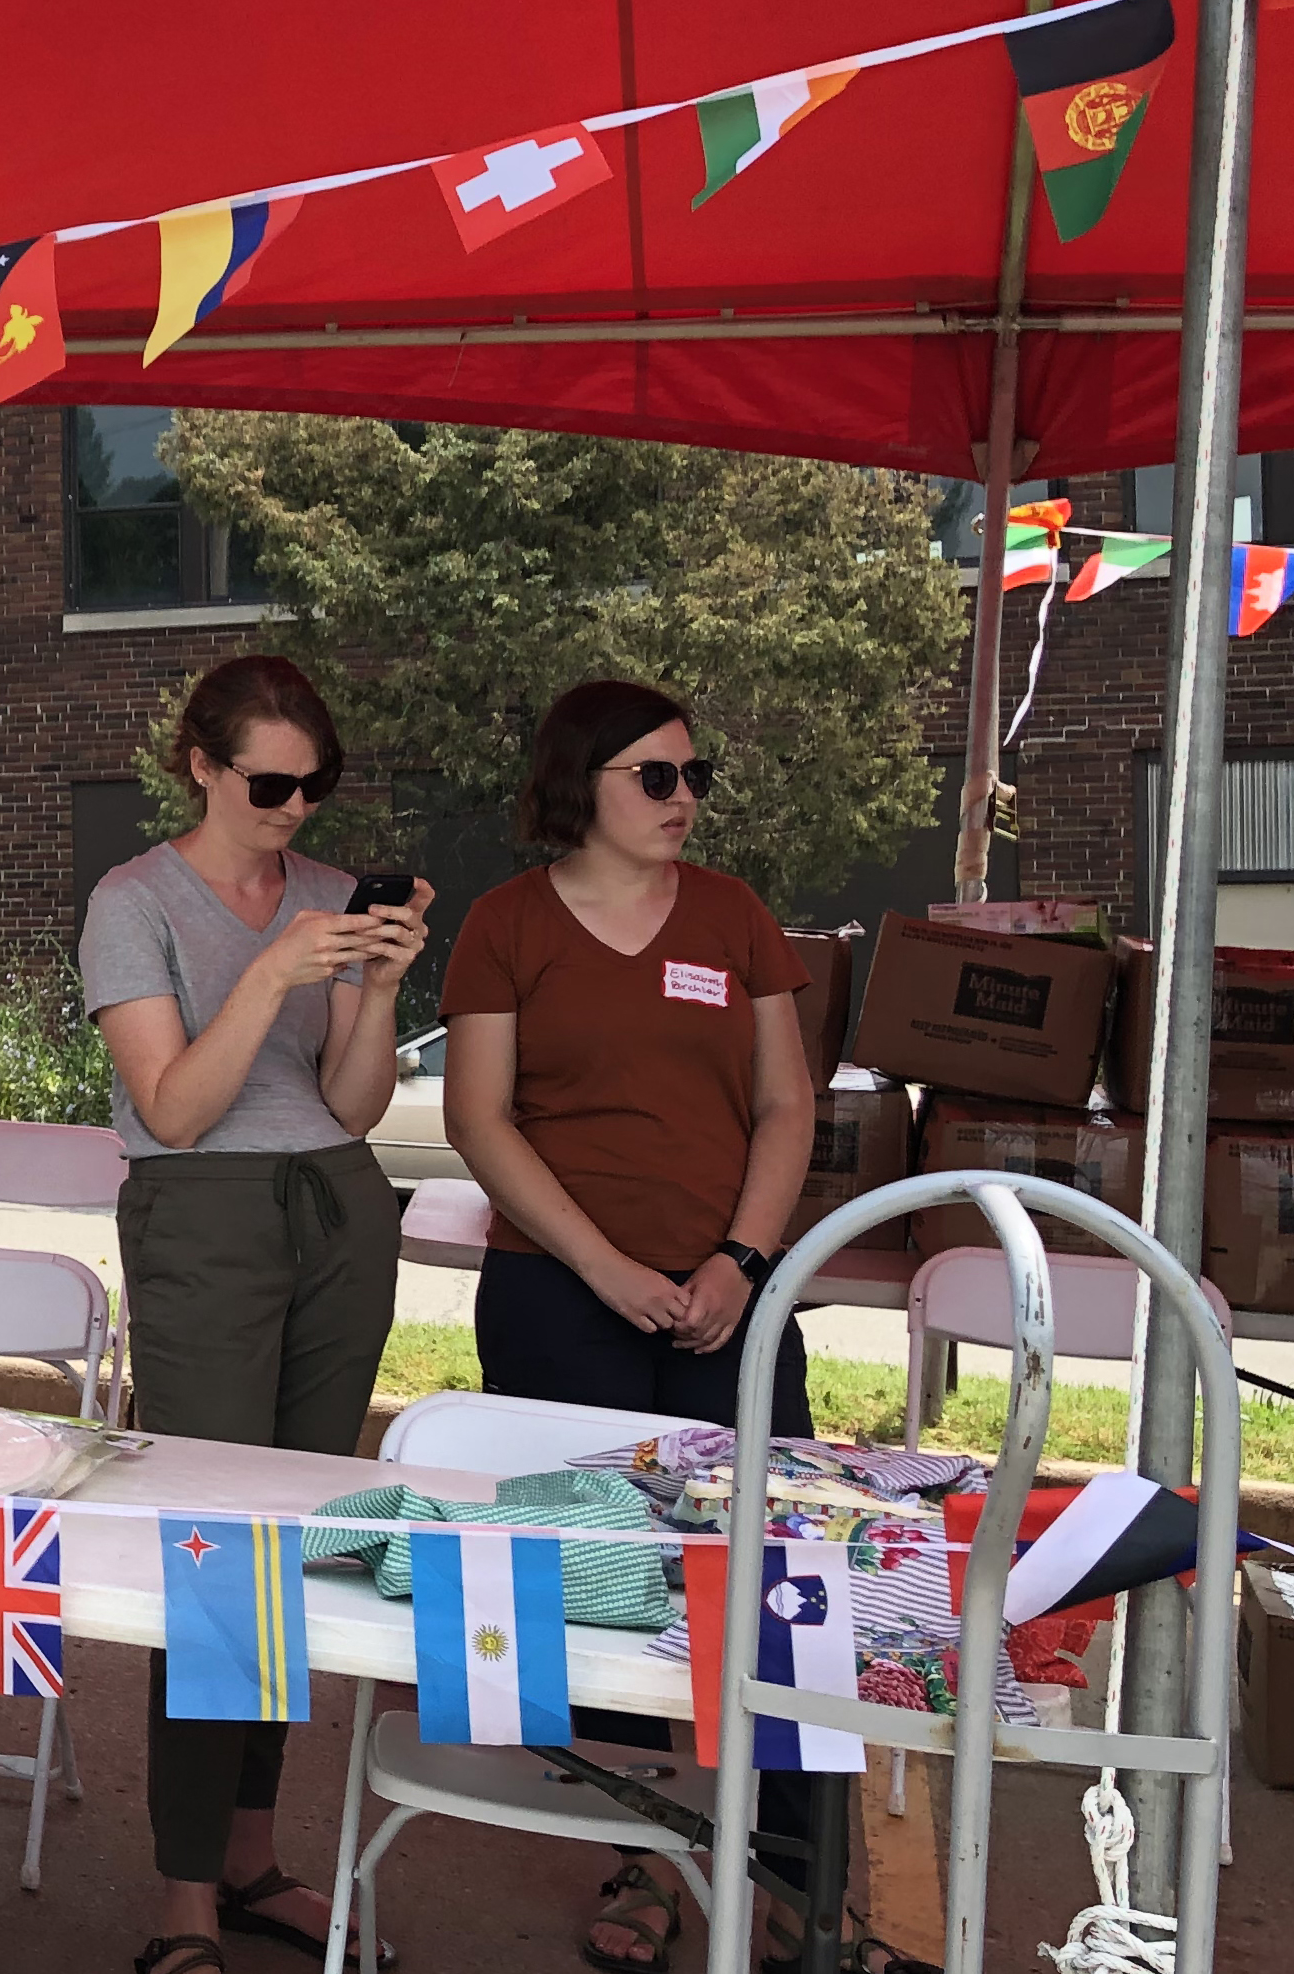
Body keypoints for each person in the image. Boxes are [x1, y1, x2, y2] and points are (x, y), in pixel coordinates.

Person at [440, 677, 818, 1972]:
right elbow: (480, 1118)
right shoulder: (504, 926)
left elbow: (787, 1105)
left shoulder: (735, 915)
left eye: (695, 775)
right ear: (580, 783)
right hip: (563, 1298)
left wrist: (741, 1260)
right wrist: (599, 1265)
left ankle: (793, 1878)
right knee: (608, 1589)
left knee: (775, 1577)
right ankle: (648, 1853)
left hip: (729, 1298)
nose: (685, 799)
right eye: (657, 776)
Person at [79, 654, 429, 1974]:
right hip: (204, 1210)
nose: (295, 808)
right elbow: (172, 1107)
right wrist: (276, 968)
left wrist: (380, 978)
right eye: (271, 783)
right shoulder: (135, 901)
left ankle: (249, 1854)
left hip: (335, 1203)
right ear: (202, 768)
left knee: (299, 1550)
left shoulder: (330, 896)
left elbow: (347, 1105)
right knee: (213, 1555)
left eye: (314, 784)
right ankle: (182, 1892)